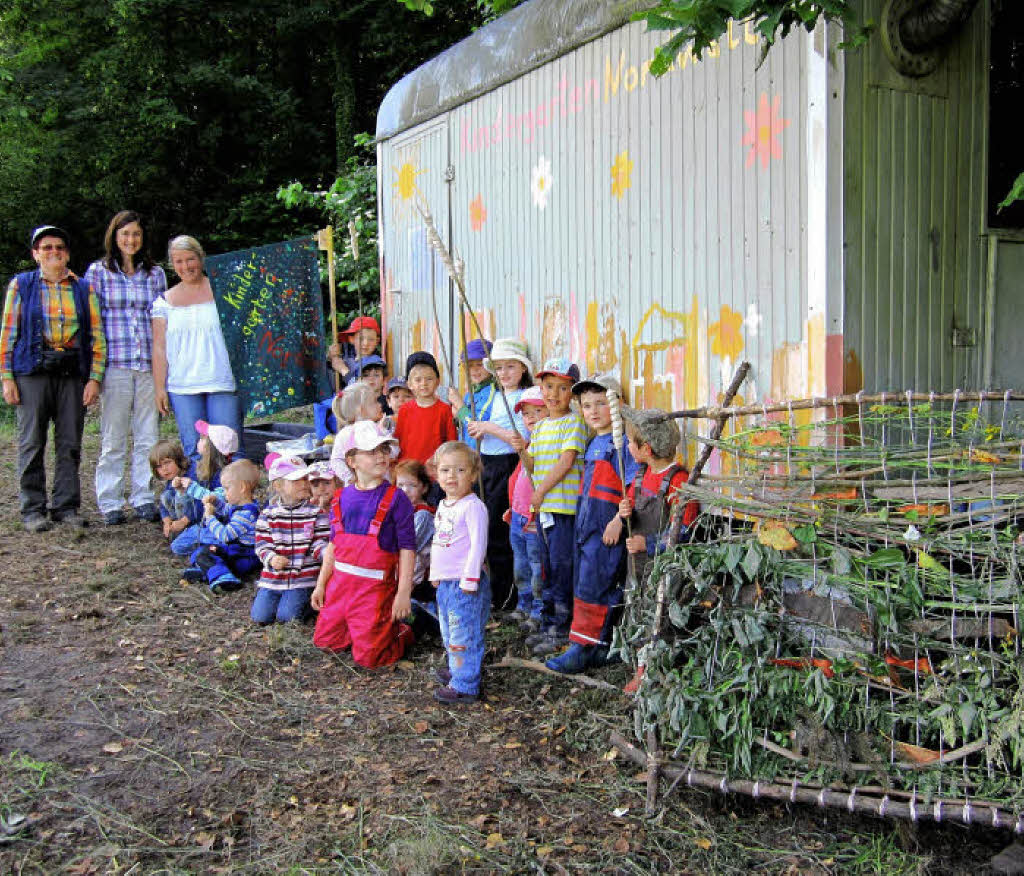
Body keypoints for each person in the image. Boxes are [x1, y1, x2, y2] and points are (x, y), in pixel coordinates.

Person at [0, 225, 106, 532]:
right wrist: (7, 378)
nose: (53, 252)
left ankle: (66, 506)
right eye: (46, 247)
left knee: (70, 444)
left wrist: (94, 379)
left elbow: (96, 337)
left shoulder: (84, 288)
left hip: (72, 373)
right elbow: (8, 334)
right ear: (36, 254)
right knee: (31, 442)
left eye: (59, 247)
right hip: (31, 373)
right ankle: (33, 508)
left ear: (68, 253)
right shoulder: (22, 285)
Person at [547, 374, 637, 674]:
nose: (594, 411)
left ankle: (583, 649)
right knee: (584, 581)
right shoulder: (594, 441)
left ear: (618, 405)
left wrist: (617, 521)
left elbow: (633, 487)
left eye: (601, 403)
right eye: (586, 405)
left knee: (595, 584)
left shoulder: (622, 443)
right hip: (586, 525)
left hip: (606, 528)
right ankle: (599, 646)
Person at [85, 211, 167, 525]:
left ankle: (144, 497)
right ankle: (110, 501)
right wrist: (94, 370)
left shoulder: (155, 274)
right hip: (115, 365)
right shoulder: (97, 272)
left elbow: (162, 322)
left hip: (148, 365)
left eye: (135, 234)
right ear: (114, 237)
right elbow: (92, 324)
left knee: (148, 435)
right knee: (113, 437)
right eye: (125, 234)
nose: (130, 240)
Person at [311, 420, 416, 667]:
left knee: (372, 659)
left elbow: (407, 549)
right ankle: (358, 629)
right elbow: (333, 547)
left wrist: (403, 594)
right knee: (326, 643)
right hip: (340, 587)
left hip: (375, 591)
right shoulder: (340, 497)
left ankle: (401, 631)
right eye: (372, 451)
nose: (381, 456)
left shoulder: (396, 499)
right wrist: (321, 585)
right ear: (352, 461)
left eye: (384, 449)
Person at [618, 407, 700, 694]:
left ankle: (654, 671)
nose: (627, 446)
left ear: (647, 448)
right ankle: (639, 665)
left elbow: (685, 532)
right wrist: (623, 512)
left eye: (631, 442)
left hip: (664, 567)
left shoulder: (678, 482)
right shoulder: (641, 476)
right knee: (638, 609)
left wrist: (649, 544)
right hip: (638, 565)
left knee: (660, 615)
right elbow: (630, 509)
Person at [151, 235, 241, 461]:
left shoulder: (224, 292)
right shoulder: (164, 301)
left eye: (190, 259)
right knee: (194, 450)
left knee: (228, 448)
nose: (185, 266)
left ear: (201, 258)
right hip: (183, 387)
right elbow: (159, 347)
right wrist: (160, 387)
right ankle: (199, 495)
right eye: (178, 261)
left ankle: (232, 496)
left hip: (222, 380)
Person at [522, 357, 586, 655]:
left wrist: (542, 492)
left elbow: (567, 460)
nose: (553, 394)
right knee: (546, 567)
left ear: (572, 393)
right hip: (545, 510)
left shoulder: (574, 422)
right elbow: (532, 465)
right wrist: (520, 449)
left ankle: (561, 628)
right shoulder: (542, 425)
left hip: (562, 509)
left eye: (562, 388)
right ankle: (548, 623)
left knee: (562, 568)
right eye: (548, 387)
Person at [464, 337, 533, 611]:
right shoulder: (494, 394)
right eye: (499, 367)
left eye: (511, 367)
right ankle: (494, 588)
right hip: (487, 462)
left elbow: (521, 437)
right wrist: (478, 429)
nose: (504, 373)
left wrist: (488, 428)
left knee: (501, 528)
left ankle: (507, 594)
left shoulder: (525, 398)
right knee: (485, 525)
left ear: (523, 369)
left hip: (509, 464)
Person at [429, 441, 490, 704]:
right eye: (445, 470)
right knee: (449, 630)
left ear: (474, 474)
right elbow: (439, 543)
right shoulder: (444, 505)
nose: (451, 476)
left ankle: (465, 684)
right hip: (446, 582)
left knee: (464, 632)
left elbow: (478, 544)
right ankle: (458, 669)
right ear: (436, 474)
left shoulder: (473, 506)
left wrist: (470, 578)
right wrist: (435, 573)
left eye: (460, 470)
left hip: (465, 583)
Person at [252, 457, 329, 625]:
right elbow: (261, 545)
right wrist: (271, 558)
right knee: (260, 617)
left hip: (303, 578)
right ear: (278, 486)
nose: (303, 484)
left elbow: (320, 542)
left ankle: (310, 603)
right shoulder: (267, 515)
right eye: (296, 480)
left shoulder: (316, 513)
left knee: (287, 617)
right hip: (273, 579)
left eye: (304, 478)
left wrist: (326, 553)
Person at [177, 458, 261, 593]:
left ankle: (224, 577)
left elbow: (225, 535)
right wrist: (216, 502)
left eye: (226, 488)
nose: (224, 493)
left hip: (244, 557)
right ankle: (210, 572)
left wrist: (210, 517)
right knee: (199, 552)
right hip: (236, 552)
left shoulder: (246, 514)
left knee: (205, 554)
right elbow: (225, 510)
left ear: (242, 488)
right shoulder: (240, 507)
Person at [504, 387, 548, 626]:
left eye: (537, 411)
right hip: (518, 516)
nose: (530, 417)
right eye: (526, 413)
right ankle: (524, 604)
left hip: (534, 518)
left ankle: (538, 611)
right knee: (520, 565)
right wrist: (512, 507)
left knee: (535, 566)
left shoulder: (548, 446)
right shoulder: (529, 444)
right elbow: (517, 479)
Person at [168, 420, 236, 556]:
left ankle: (214, 545)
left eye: (201, 439)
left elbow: (217, 499)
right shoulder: (200, 467)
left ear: (210, 447)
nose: (198, 442)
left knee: (179, 546)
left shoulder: (226, 474)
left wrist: (192, 488)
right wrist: (182, 490)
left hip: (220, 524)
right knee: (177, 544)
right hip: (205, 521)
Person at [393, 351, 457, 465]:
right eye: (418, 380)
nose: (424, 383)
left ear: (437, 381)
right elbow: (399, 440)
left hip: (434, 469)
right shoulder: (405, 410)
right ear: (409, 384)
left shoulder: (445, 409)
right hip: (409, 468)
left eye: (429, 379)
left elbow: (451, 442)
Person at [149, 438, 201, 544]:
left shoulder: (193, 474)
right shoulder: (170, 479)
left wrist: (184, 521)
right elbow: (163, 505)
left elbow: (201, 503)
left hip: (200, 517)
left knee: (180, 494)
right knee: (166, 495)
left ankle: (188, 528)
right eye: (159, 466)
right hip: (182, 515)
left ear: (178, 460)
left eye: (167, 463)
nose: (164, 469)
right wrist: (167, 521)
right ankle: (177, 529)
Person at [448, 338, 495, 450]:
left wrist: (459, 406)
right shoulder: (472, 392)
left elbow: (475, 425)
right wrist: (457, 415)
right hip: (467, 451)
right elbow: (463, 421)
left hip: (479, 453)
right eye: (469, 366)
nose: (474, 370)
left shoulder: (491, 391)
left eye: (479, 364)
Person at [328, 315, 381, 388]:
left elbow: (362, 389)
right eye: (361, 339)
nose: (365, 343)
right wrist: (333, 357)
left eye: (371, 339)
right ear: (351, 339)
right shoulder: (350, 359)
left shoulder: (376, 363)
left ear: (377, 341)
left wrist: (344, 370)